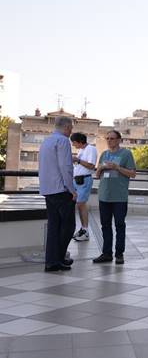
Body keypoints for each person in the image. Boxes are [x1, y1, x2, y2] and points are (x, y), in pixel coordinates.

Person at [39, 116, 77, 272]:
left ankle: (52, 261)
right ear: (67, 127)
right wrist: (71, 189)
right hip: (61, 189)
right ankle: (58, 259)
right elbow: (66, 167)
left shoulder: (46, 141)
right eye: (71, 128)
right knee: (68, 226)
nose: (71, 131)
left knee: (54, 227)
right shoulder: (63, 141)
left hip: (48, 189)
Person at [93, 130, 136, 264]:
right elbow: (97, 175)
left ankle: (119, 254)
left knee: (119, 225)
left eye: (112, 138)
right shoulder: (104, 154)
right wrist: (100, 168)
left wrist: (117, 167)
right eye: (108, 138)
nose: (109, 141)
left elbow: (132, 174)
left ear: (119, 140)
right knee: (105, 225)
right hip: (104, 195)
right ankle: (106, 253)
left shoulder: (126, 154)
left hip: (119, 197)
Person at [70, 132, 97, 242]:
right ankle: (82, 229)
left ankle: (85, 231)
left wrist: (78, 160)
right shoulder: (82, 150)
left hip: (84, 180)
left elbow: (91, 165)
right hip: (77, 180)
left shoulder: (91, 148)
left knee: (80, 204)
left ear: (80, 141)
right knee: (80, 204)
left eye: (74, 142)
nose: (73, 145)